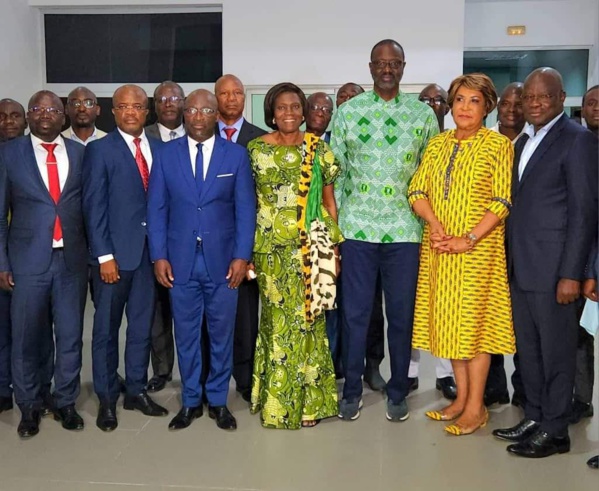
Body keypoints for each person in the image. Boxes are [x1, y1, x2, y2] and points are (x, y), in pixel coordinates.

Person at [493, 68, 598, 458]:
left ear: (560, 97)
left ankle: (556, 431)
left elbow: (585, 212)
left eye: (544, 97)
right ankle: (535, 416)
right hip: (523, 267)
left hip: (556, 271)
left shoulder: (578, 141)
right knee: (529, 350)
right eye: (529, 98)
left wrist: (574, 273)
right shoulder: (524, 142)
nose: (534, 103)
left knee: (556, 353)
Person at [332, 39, 438, 422]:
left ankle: (398, 391)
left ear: (404, 66)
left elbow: (429, 175)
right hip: (358, 230)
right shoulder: (348, 112)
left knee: (401, 315)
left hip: (405, 233)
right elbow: (336, 175)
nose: (387, 68)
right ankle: (353, 391)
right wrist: (337, 231)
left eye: (394, 63)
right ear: (371, 66)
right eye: (381, 63)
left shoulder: (422, 115)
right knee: (355, 316)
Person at [408, 73, 515, 436]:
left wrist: (467, 238)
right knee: (450, 326)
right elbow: (416, 190)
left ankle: (475, 407)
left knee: (475, 330)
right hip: (438, 249)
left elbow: (501, 201)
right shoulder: (437, 144)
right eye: (459, 100)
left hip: (477, 252)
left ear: (488, 106)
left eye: (473, 101)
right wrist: (435, 225)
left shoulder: (498, 145)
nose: (465, 107)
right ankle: (460, 399)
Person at [249, 82, 342, 429]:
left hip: (312, 251)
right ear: (271, 113)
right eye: (281, 107)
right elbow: (250, 203)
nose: (289, 113)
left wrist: (334, 250)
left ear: (304, 112)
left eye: (295, 107)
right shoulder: (255, 150)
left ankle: (309, 404)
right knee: (274, 325)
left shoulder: (319, 149)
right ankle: (273, 401)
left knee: (310, 325)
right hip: (270, 253)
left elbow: (330, 203)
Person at [0, 90, 88, 437]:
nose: (46, 114)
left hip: (71, 261)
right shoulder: (9, 155)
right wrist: (2, 262)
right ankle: (29, 406)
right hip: (26, 262)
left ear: (64, 115)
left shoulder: (81, 154)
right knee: (26, 338)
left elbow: (89, 208)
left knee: (69, 336)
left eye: (53, 108)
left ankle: (65, 402)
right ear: (30, 116)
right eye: (38, 108)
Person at [83, 84, 167, 432]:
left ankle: (135, 389)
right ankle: (106, 397)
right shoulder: (100, 150)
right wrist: (104, 255)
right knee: (105, 330)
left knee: (141, 329)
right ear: (114, 111)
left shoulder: (162, 149)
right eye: (124, 106)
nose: (131, 112)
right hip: (114, 258)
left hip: (151, 257)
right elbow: (93, 207)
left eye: (138, 106)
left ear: (147, 111)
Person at [214, 74, 266, 402]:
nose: (232, 99)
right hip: (209, 240)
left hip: (247, 243)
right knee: (212, 314)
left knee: (246, 315)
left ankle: (245, 380)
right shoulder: (202, 137)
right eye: (225, 93)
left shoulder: (261, 139)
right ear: (215, 97)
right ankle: (211, 378)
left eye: (237, 93)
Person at [405, 83, 457, 401]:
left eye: (439, 99)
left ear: (448, 107)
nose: (432, 104)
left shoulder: (455, 140)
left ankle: (445, 374)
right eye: (426, 99)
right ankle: (409, 372)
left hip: (447, 235)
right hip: (411, 232)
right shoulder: (410, 135)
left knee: (444, 305)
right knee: (409, 305)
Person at [485, 82, 527, 408]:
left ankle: (525, 391)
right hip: (487, 245)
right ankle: (493, 387)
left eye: (519, 103)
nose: (512, 109)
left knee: (525, 323)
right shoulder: (484, 142)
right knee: (490, 318)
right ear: (497, 106)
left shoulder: (535, 143)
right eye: (506, 103)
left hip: (524, 247)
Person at [143, 81, 186, 394]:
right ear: (154, 105)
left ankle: (194, 371)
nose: (169, 103)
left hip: (189, 237)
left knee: (190, 310)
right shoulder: (143, 138)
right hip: (154, 237)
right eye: (162, 99)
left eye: (175, 98)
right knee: (157, 311)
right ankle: (161, 370)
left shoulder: (200, 134)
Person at [570, 85, 599, 425]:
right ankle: (581, 398)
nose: (595, 108)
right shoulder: (578, 144)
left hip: (591, 261)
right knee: (580, 336)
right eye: (590, 102)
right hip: (580, 258)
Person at [0, 98, 29, 414]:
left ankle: (29, 387)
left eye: (14, 116)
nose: (8, 121)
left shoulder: (27, 155)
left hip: (24, 258)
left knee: (22, 329)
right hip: (6, 256)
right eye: (2, 117)